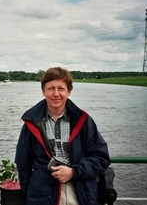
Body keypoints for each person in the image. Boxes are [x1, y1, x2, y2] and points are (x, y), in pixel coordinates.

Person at [16, 67, 110, 205]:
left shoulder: (84, 121)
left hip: (80, 193)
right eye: (50, 88)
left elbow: (101, 157)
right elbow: (23, 163)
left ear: (69, 91)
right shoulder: (31, 124)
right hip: (43, 196)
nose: (56, 94)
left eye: (61, 88)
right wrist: (30, 194)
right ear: (43, 91)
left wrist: (74, 171)